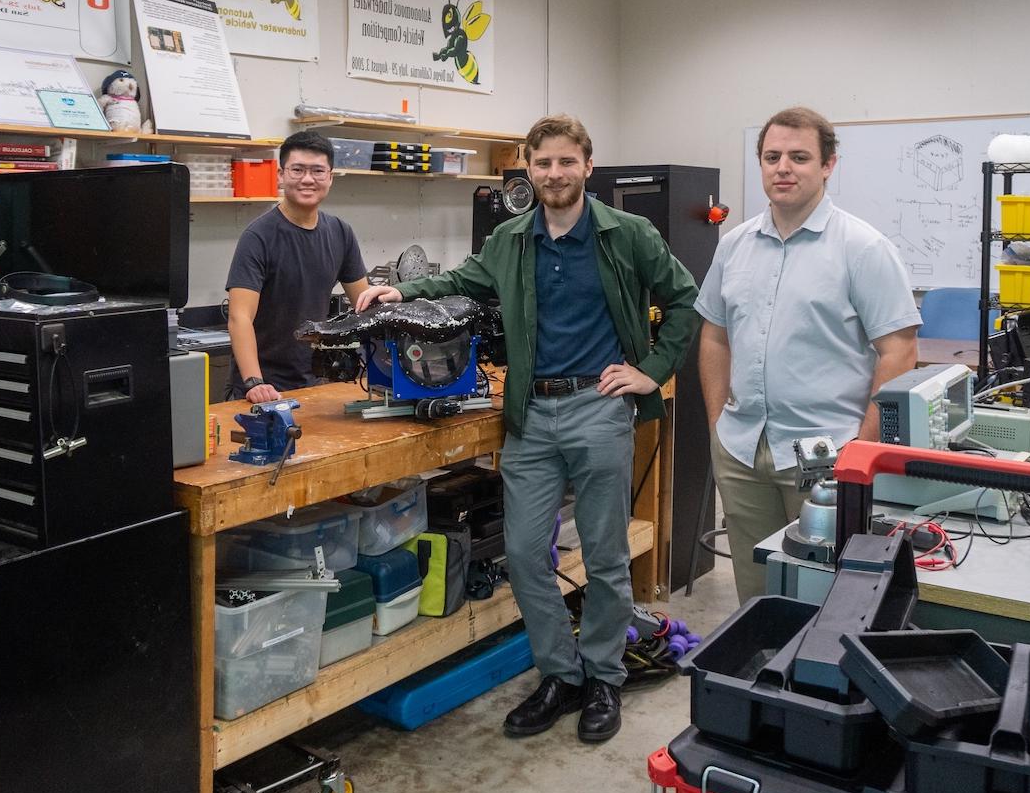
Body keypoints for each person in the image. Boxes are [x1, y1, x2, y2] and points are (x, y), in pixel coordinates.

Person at [356, 115, 699, 743]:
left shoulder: (628, 234)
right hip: (531, 414)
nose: (554, 174)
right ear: (529, 169)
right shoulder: (512, 239)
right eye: (543, 164)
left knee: (604, 555)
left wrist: (651, 370)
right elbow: (459, 282)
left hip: (598, 404)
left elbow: (685, 299)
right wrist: (396, 292)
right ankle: (559, 676)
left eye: (567, 162)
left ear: (587, 167)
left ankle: (602, 676)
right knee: (523, 554)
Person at [696, 106, 919, 602]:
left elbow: (899, 352)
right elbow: (714, 336)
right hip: (741, 449)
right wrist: (718, 426)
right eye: (772, 156)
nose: (783, 167)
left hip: (828, 455)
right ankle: (761, 677)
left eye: (799, 157)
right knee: (758, 596)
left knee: (828, 596)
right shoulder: (733, 247)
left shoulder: (863, 248)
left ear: (827, 165)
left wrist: (861, 451)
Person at [226, 131, 369, 403]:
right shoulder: (258, 237)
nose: (307, 179)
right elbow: (239, 318)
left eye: (317, 171)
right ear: (280, 175)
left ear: (330, 177)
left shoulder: (340, 233)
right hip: (264, 389)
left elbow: (365, 306)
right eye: (297, 170)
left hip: (315, 381)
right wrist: (255, 383)